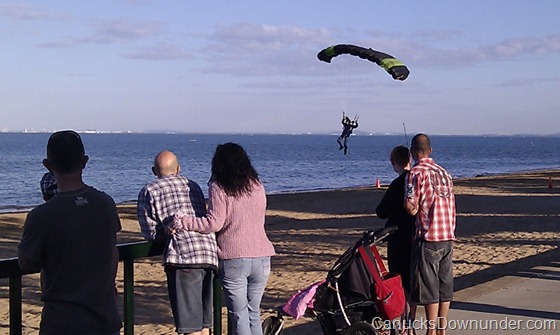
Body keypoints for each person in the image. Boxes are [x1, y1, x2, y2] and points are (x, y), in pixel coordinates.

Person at [18, 130, 122, 335]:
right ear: (84, 162)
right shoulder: (105, 203)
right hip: (104, 319)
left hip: (62, 322)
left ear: (47, 165)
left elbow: (26, 262)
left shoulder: (42, 215)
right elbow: (111, 248)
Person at [171, 142, 275, 335]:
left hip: (234, 256)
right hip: (262, 256)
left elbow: (214, 223)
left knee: (239, 316)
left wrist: (184, 221)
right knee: (254, 313)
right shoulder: (257, 185)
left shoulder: (219, 186)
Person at [137, 150, 218, 335]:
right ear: (179, 168)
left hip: (184, 257)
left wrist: (165, 233)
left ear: (153, 170)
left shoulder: (150, 190)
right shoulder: (193, 185)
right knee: (205, 325)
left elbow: (150, 233)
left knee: (191, 327)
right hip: (208, 252)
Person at [404, 134, 456, 335]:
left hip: (428, 236)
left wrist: (414, 207)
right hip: (448, 234)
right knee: (445, 285)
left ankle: (431, 330)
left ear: (412, 152)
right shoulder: (444, 173)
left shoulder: (415, 173)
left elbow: (410, 207)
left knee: (429, 287)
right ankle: (442, 329)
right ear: (430, 151)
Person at [375, 145, 417, 334]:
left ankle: (402, 324)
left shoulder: (398, 183)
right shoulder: (417, 180)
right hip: (416, 236)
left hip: (399, 237)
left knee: (400, 283)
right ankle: (410, 322)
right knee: (411, 282)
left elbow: (381, 212)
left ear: (394, 163)